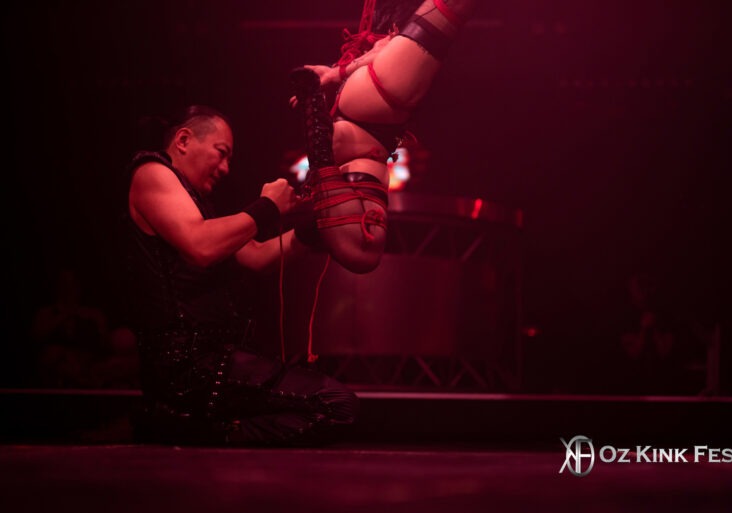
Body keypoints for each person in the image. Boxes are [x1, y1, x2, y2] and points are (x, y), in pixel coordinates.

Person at [124, 105, 359, 445]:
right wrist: (267, 207)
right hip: (187, 369)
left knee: (337, 405)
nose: (225, 168)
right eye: (221, 153)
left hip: (211, 363)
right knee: (335, 405)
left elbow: (257, 256)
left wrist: (314, 229)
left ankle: (192, 430)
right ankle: (192, 430)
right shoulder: (152, 171)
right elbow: (201, 245)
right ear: (183, 140)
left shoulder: (196, 205)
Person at [290, 0, 480, 273]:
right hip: (376, 103)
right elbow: (364, 256)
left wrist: (336, 74)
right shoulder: (349, 188)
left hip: (368, 97)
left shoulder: (340, 177)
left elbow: (255, 257)